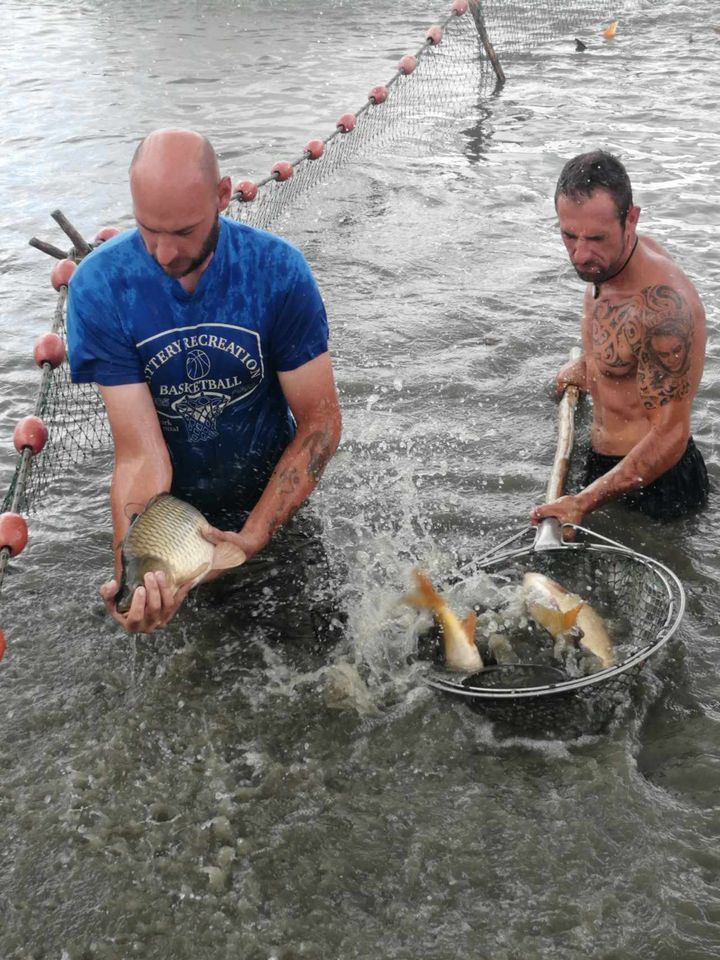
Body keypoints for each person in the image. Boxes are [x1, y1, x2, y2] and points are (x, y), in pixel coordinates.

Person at [67, 128, 342, 633]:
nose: (164, 254)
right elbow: (139, 454)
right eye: (148, 230)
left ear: (222, 196)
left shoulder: (278, 273)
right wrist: (135, 571)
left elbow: (320, 423)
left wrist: (256, 533)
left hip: (270, 500)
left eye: (184, 232)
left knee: (318, 644)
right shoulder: (101, 288)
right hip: (170, 526)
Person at [531, 149, 708, 531]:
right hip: (602, 467)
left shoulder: (663, 309)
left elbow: (671, 435)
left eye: (596, 237)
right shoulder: (607, 263)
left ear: (631, 219)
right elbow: (623, 353)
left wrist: (584, 501)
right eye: (568, 235)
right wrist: (587, 367)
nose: (580, 254)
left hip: (656, 487)